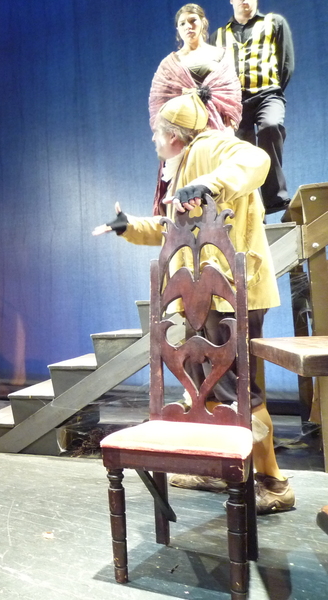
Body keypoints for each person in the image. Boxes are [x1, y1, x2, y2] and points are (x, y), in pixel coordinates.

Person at [93, 91, 295, 514]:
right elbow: (173, 228)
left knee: (238, 391)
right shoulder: (185, 167)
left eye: (156, 133)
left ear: (174, 136)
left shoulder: (209, 146)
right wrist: (129, 226)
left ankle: (273, 482)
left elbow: (256, 160)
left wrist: (209, 183)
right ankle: (221, 468)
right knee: (209, 387)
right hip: (204, 294)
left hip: (227, 294)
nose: (153, 141)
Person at [148, 3, 242, 215]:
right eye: (182, 23)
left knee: (214, 173)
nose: (188, 26)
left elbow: (231, 92)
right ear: (178, 29)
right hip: (183, 129)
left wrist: (230, 126)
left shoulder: (220, 55)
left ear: (203, 22)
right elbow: (159, 102)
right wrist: (164, 133)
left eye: (192, 21)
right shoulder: (170, 63)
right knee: (182, 173)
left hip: (214, 126)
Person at [210, 0, 294, 214]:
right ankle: (253, 211)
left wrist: (273, 87)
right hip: (236, 103)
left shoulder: (274, 23)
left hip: (268, 93)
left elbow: (286, 63)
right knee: (241, 151)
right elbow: (215, 73)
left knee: (270, 126)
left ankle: (274, 198)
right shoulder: (218, 36)